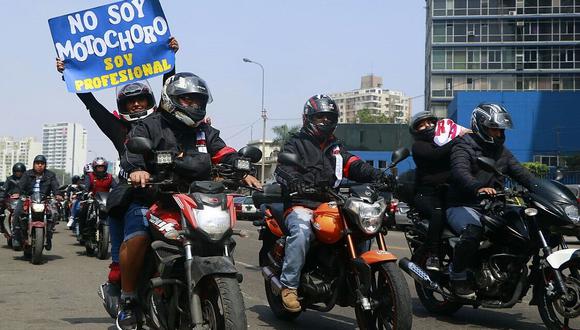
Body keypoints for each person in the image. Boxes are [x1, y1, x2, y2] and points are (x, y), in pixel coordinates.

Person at [115, 72, 261, 330]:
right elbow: (132, 154)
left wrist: (242, 168)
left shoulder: (205, 130)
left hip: (197, 202)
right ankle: (128, 301)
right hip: (157, 199)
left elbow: (223, 151)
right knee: (137, 238)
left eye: (198, 101)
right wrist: (139, 170)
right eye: (188, 100)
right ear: (172, 100)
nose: (194, 106)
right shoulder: (150, 125)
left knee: (221, 237)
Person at [56, 37, 179, 295]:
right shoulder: (118, 128)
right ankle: (127, 298)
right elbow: (92, 105)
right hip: (133, 196)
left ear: (150, 102)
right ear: (122, 107)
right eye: (130, 102)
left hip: (170, 193)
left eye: (141, 100)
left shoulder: (163, 121)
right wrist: (70, 75)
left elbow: (169, 87)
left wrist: (170, 58)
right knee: (130, 247)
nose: (136, 104)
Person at [274, 94, 391, 312]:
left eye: (329, 117)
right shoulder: (296, 143)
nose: (325, 122)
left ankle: (349, 277)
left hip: (331, 204)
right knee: (301, 231)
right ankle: (289, 286)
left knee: (360, 229)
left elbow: (354, 165)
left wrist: (378, 174)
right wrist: (295, 181)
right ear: (308, 118)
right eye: (320, 117)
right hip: (301, 203)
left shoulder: (336, 148)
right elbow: (282, 168)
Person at [446, 103, 535, 298]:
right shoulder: (463, 145)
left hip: (492, 206)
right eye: (494, 129)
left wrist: (540, 188)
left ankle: (502, 270)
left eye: (500, 129)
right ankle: (458, 275)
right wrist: (478, 188)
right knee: (473, 231)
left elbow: (521, 174)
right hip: (463, 204)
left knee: (521, 230)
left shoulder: (502, 152)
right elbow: (460, 172)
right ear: (481, 126)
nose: (498, 133)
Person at [410, 112, 470, 271]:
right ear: (416, 130)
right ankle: (433, 255)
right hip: (427, 195)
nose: (427, 126)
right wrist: (459, 137)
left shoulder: (447, 141)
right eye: (422, 125)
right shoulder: (418, 147)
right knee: (439, 212)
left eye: (430, 123)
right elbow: (435, 154)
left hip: (449, 192)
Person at [11, 155, 63, 250]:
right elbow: (20, 185)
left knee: (54, 213)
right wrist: (17, 193)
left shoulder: (50, 175)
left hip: (44, 199)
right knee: (17, 213)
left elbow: (55, 186)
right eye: (37, 163)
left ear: (45, 165)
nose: (39, 165)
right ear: (34, 164)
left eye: (42, 164)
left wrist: (57, 194)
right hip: (28, 198)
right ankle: (16, 237)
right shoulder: (27, 174)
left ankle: (49, 236)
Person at [77, 157, 116, 241]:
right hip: (92, 199)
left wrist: (117, 194)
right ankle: (81, 232)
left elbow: (116, 188)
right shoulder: (89, 176)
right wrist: (85, 193)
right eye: (98, 167)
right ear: (95, 168)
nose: (100, 169)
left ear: (105, 167)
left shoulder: (110, 177)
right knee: (82, 211)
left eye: (102, 167)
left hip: (105, 201)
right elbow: (86, 187)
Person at [0, 163, 26, 236]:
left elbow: (30, 190)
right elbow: (4, 189)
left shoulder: (26, 180)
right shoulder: (10, 179)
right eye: (17, 172)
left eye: (20, 172)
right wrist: (2, 197)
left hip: (23, 201)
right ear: (14, 172)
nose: (19, 173)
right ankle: (2, 227)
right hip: (11, 200)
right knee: (2, 211)